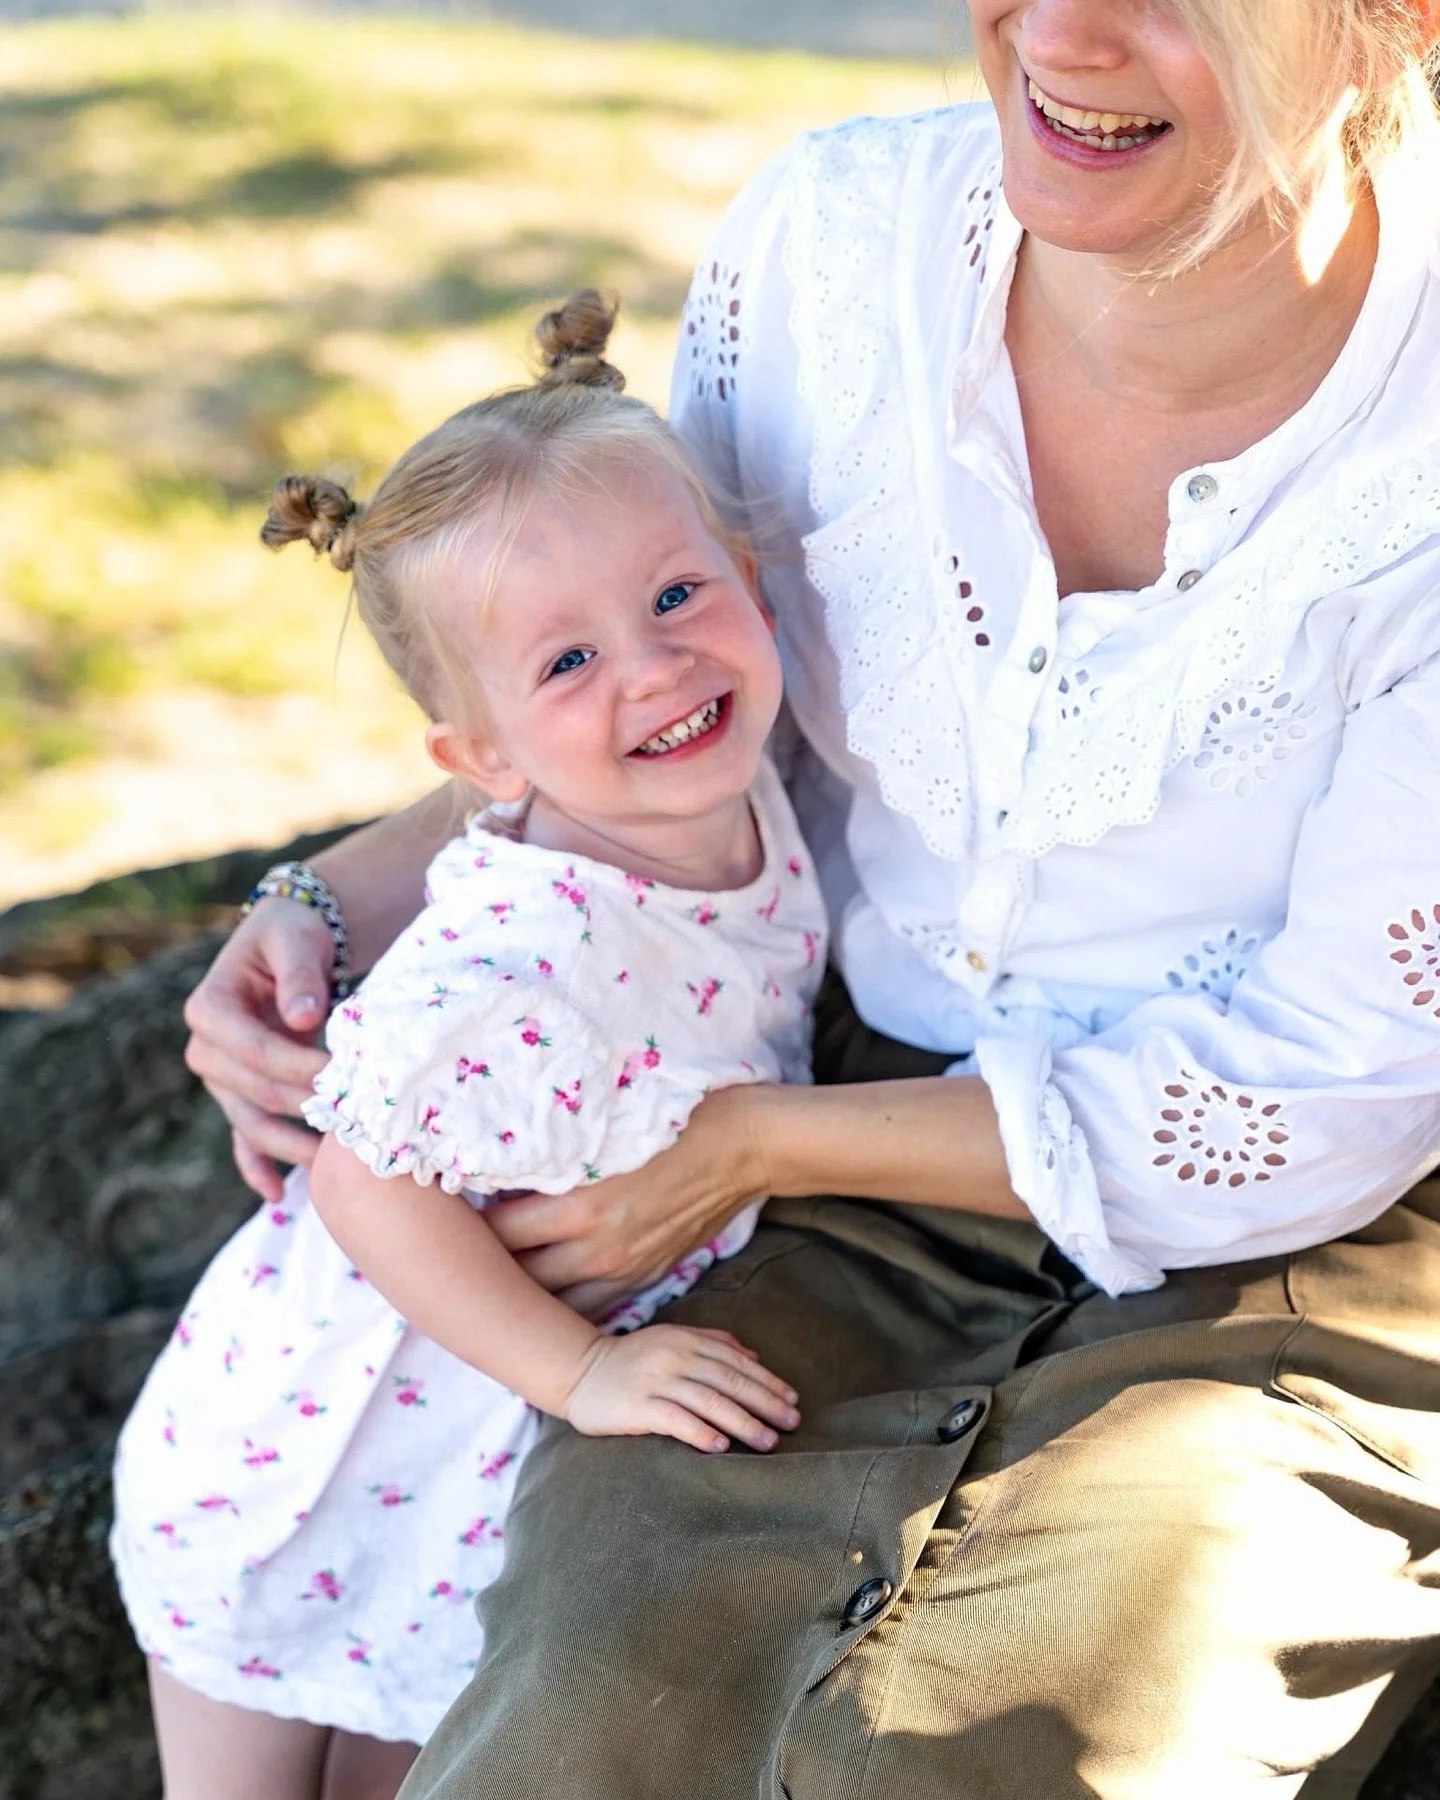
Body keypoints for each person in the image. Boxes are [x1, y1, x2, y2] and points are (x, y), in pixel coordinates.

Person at [182, 1, 1440, 1794]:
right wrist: (319, 898)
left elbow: (1328, 1091)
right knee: (587, 1701)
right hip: (831, 1142)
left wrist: (745, 1144)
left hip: (1303, 1241)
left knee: (1035, 1744)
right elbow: (667, 692)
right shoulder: (834, 246)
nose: (1063, 33)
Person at [110, 292, 827, 1800]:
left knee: (419, 1754)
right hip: (293, 1459)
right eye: (566, 665)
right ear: (479, 764)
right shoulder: (524, 952)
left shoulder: (746, 801)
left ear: (751, 582)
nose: (653, 669)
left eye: (680, 597)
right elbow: (369, 1188)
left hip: (458, 1476)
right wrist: (585, 1379)